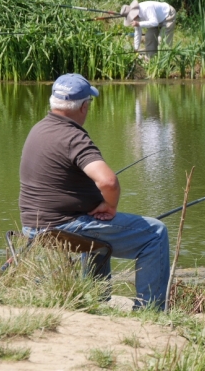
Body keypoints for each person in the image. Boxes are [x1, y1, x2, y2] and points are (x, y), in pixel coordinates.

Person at [18, 73, 170, 309]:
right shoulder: (73, 137)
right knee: (155, 234)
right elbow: (109, 182)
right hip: (62, 228)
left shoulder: (38, 129)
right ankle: (150, 311)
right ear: (84, 106)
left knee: (94, 224)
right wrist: (109, 207)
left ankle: (94, 300)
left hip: (32, 227)